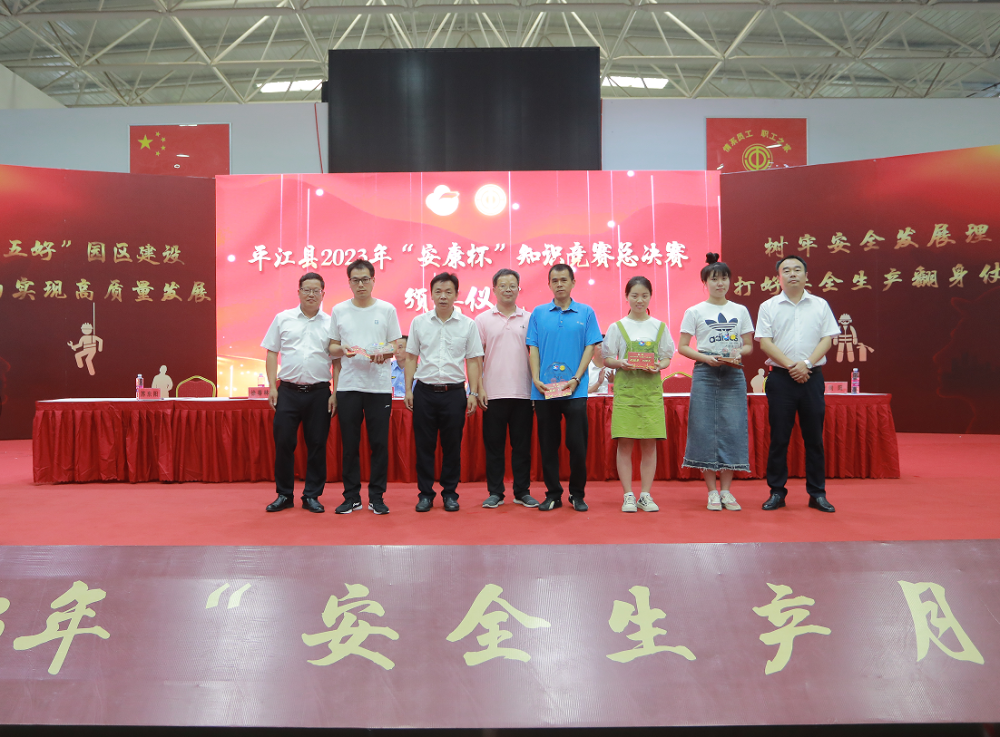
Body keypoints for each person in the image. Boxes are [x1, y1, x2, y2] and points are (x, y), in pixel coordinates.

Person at [755, 255, 840, 513]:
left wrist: (807, 364)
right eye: (787, 270)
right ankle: (777, 492)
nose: (792, 274)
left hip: (812, 378)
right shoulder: (768, 306)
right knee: (779, 438)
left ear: (806, 276)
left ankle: (817, 494)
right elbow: (765, 342)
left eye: (797, 270)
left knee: (814, 439)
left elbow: (828, 338)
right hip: (781, 379)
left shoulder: (820, 305)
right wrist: (793, 366)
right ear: (778, 277)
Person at [678, 253, 755, 512]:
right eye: (714, 279)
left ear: (730, 281)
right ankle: (712, 491)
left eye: (723, 278)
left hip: (733, 374)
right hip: (705, 373)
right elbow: (683, 347)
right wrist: (706, 358)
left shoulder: (740, 310)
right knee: (704, 429)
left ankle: (727, 491)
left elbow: (748, 345)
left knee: (733, 428)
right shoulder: (695, 311)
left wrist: (737, 352)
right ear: (705, 283)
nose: (719, 283)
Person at [328, 258, 402, 516]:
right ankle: (351, 497)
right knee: (349, 445)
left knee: (379, 444)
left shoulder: (386, 309)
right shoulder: (339, 310)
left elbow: (396, 345)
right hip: (348, 386)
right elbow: (332, 347)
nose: (361, 284)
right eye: (355, 280)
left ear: (373, 281)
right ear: (349, 283)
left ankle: (376, 497)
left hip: (378, 387)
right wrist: (342, 349)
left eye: (365, 279)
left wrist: (384, 352)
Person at [526, 264, 603, 512]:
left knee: (577, 445)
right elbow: (533, 348)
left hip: (575, 390)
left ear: (573, 283)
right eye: (554, 280)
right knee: (548, 445)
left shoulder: (586, 312)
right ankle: (553, 494)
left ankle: (577, 494)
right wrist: (535, 378)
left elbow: (590, 347)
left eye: (563, 280)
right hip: (545, 390)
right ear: (549, 284)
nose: (559, 284)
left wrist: (577, 378)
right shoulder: (538, 313)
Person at [404, 272, 484, 512]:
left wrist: (473, 393)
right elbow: (411, 357)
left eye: (448, 292)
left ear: (456, 295)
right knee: (424, 446)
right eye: (438, 291)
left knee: (452, 446)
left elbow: (473, 361)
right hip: (425, 392)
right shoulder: (419, 322)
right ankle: (425, 494)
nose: (443, 296)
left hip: (454, 393)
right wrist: (408, 389)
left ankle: (450, 494)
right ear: (430, 294)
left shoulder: (468, 324)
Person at [261, 272, 335, 513]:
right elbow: (272, 352)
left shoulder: (331, 323)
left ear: (323, 294)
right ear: (299, 292)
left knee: (317, 444)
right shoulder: (283, 318)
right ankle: (284, 494)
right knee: (284, 443)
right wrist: (273, 386)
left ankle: (312, 495)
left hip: (319, 392)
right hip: (288, 391)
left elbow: (338, 361)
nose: (311, 294)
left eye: (316, 290)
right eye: (307, 290)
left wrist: (336, 392)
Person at [601, 276, 675, 513]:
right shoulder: (617, 326)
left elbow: (666, 357)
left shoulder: (659, 326)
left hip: (650, 393)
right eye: (634, 295)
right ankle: (628, 495)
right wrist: (621, 363)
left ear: (650, 297)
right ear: (627, 297)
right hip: (627, 394)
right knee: (624, 444)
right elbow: (607, 358)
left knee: (649, 445)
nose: (639, 300)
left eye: (644, 295)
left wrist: (660, 365)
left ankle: (645, 495)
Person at [475, 268, 539, 509]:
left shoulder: (530, 318)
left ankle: (522, 491)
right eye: (502, 285)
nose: (508, 289)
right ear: (494, 289)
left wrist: (536, 388)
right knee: (494, 447)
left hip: (523, 392)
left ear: (518, 288)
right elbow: (476, 358)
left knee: (522, 447)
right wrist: (478, 388)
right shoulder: (482, 320)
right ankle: (495, 492)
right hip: (493, 393)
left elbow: (536, 355)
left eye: (512, 285)